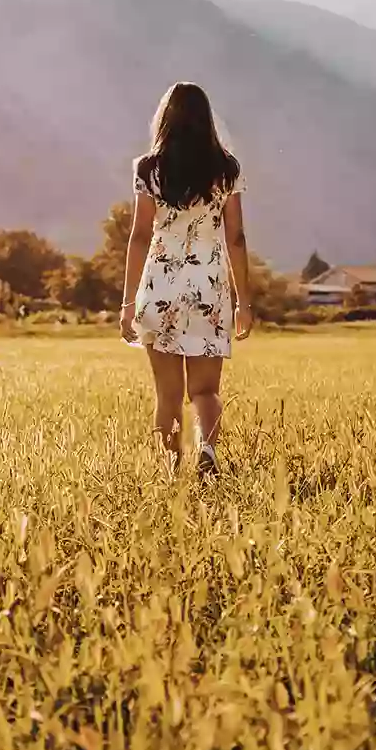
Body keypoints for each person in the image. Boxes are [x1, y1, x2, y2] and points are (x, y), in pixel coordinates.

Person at [119, 82, 254, 479]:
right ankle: (207, 449)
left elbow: (140, 235)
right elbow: (237, 237)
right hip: (209, 289)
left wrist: (128, 304)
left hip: (160, 288)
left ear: (166, 118)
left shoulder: (149, 168)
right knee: (206, 390)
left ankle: (170, 470)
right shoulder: (227, 169)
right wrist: (243, 302)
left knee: (168, 394)